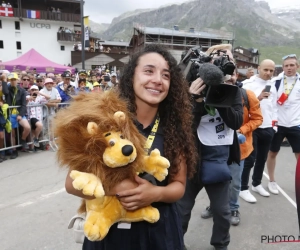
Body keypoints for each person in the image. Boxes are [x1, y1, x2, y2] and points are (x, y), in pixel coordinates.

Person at [64, 44, 197, 250]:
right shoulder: (106, 121)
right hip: (109, 231)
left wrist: (156, 193)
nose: (157, 80)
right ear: (131, 76)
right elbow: (71, 184)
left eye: (166, 75)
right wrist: (118, 188)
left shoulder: (174, 128)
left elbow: (179, 186)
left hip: (159, 230)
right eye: (148, 71)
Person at [177, 44, 243, 250]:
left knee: (223, 212)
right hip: (192, 161)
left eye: (228, 60)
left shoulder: (235, 91)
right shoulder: (188, 88)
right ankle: (176, 242)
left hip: (219, 161)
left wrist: (220, 96)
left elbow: (236, 122)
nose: (224, 62)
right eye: (219, 58)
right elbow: (183, 129)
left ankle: (220, 244)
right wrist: (194, 100)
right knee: (182, 210)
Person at [239, 60, 277, 203]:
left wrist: (275, 126)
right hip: (253, 127)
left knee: (262, 158)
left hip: (268, 127)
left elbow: (274, 107)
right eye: (265, 69)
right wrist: (259, 97)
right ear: (258, 68)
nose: (268, 73)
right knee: (249, 159)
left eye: (271, 71)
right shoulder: (247, 85)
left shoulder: (273, 85)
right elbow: (243, 108)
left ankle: (256, 183)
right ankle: (243, 188)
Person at [267, 54, 300, 194]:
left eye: (292, 65)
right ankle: (272, 181)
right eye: (286, 65)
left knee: (298, 155)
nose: (289, 68)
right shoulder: (276, 81)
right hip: (278, 123)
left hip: (296, 124)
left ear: (297, 66)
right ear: (283, 67)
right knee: (273, 152)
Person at [2, 73, 31, 158]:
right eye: (11, 80)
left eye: (14, 80)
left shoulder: (22, 91)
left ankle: (22, 140)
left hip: (19, 113)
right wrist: (3, 80)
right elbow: (5, 92)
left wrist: (20, 115)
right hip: (10, 114)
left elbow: (23, 104)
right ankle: (14, 151)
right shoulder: (8, 88)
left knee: (27, 127)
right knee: (12, 134)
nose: (13, 81)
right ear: (9, 81)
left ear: (17, 80)